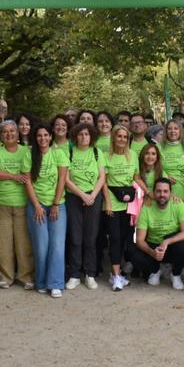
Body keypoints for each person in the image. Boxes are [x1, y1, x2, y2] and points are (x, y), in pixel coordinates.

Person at [0, 121, 34, 289]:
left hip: (22, 203)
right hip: (0, 204)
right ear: (1, 135)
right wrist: (14, 177)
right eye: (5, 132)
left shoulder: (26, 152)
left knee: (24, 243)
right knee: (1, 243)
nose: (9, 134)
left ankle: (26, 276)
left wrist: (5, 174)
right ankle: (6, 277)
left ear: (18, 133)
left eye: (12, 131)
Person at [23, 124, 69, 298]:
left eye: (45, 135)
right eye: (39, 135)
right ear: (36, 138)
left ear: (50, 137)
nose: (42, 139)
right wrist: (37, 206)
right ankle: (41, 282)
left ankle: (56, 283)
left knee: (57, 245)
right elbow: (27, 182)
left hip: (58, 205)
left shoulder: (59, 153)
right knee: (41, 246)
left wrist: (56, 204)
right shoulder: (29, 155)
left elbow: (62, 180)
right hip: (37, 205)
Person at [64, 123, 107, 290]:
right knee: (75, 237)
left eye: (87, 134)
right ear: (75, 137)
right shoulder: (69, 152)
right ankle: (74, 274)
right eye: (80, 134)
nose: (84, 137)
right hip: (74, 198)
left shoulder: (97, 153)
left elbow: (102, 177)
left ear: (91, 137)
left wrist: (92, 196)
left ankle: (90, 274)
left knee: (91, 238)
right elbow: (66, 179)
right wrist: (83, 195)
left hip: (93, 197)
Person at [132, 178, 184, 291]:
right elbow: (139, 240)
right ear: (154, 192)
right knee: (135, 256)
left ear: (171, 193)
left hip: (170, 245)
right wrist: (152, 253)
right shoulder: (147, 207)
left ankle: (175, 274)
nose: (162, 194)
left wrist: (167, 242)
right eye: (158, 191)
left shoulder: (178, 204)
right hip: (154, 246)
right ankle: (156, 271)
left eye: (165, 191)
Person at [102, 124, 138, 291]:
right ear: (113, 138)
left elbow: (136, 178)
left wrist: (147, 192)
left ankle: (116, 272)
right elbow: (104, 181)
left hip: (129, 203)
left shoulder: (133, 156)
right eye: (119, 136)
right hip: (112, 203)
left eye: (125, 137)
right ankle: (116, 276)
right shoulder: (105, 157)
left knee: (125, 239)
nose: (122, 139)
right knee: (115, 238)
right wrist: (108, 202)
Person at [159, 120, 184, 203]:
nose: (173, 131)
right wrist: (165, 176)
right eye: (169, 129)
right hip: (164, 190)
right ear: (165, 131)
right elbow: (153, 166)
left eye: (176, 128)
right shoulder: (159, 147)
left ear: (180, 131)